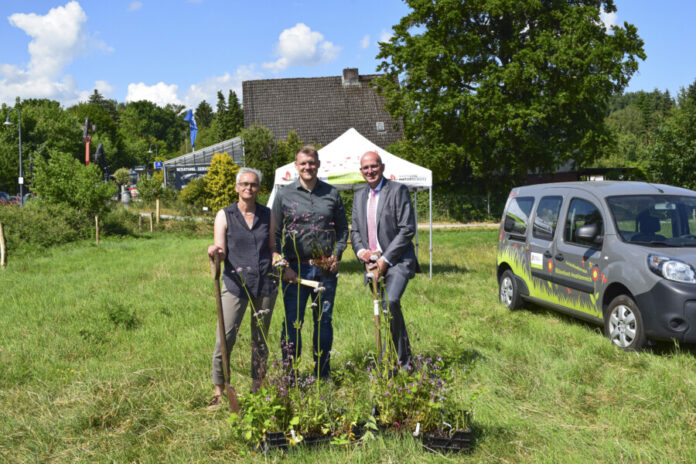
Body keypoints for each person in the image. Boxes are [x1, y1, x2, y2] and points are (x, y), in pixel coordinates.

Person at [272, 146, 349, 379]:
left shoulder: (332, 194)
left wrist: (337, 254)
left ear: (318, 164)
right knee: (293, 323)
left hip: (325, 269)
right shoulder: (284, 194)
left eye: (311, 163)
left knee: (323, 322)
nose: (308, 167)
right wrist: (283, 266)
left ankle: (322, 373)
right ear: (296, 166)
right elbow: (274, 235)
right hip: (294, 270)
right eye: (303, 163)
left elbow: (343, 229)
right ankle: (290, 376)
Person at [207, 167, 279, 405]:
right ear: (237, 187)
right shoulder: (224, 215)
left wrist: (277, 256)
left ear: (259, 188)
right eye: (245, 184)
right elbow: (221, 249)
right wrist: (215, 252)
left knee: (260, 338)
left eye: (254, 184)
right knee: (225, 337)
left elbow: (271, 247)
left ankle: (258, 385)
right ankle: (219, 388)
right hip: (235, 283)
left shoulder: (267, 214)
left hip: (265, 282)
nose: (249, 188)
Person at [351, 151, 419, 369]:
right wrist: (361, 251)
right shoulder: (359, 195)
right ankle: (396, 360)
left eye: (374, 166)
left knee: (391, 302)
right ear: (361, 172)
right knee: (384, 310)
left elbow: (407, 229)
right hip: (372, 263)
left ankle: (396, 360)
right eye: (365, 168)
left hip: (397, 260)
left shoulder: (397, 190)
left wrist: (385, 259)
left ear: (382, 167)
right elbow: (355, 231)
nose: (370, 171)